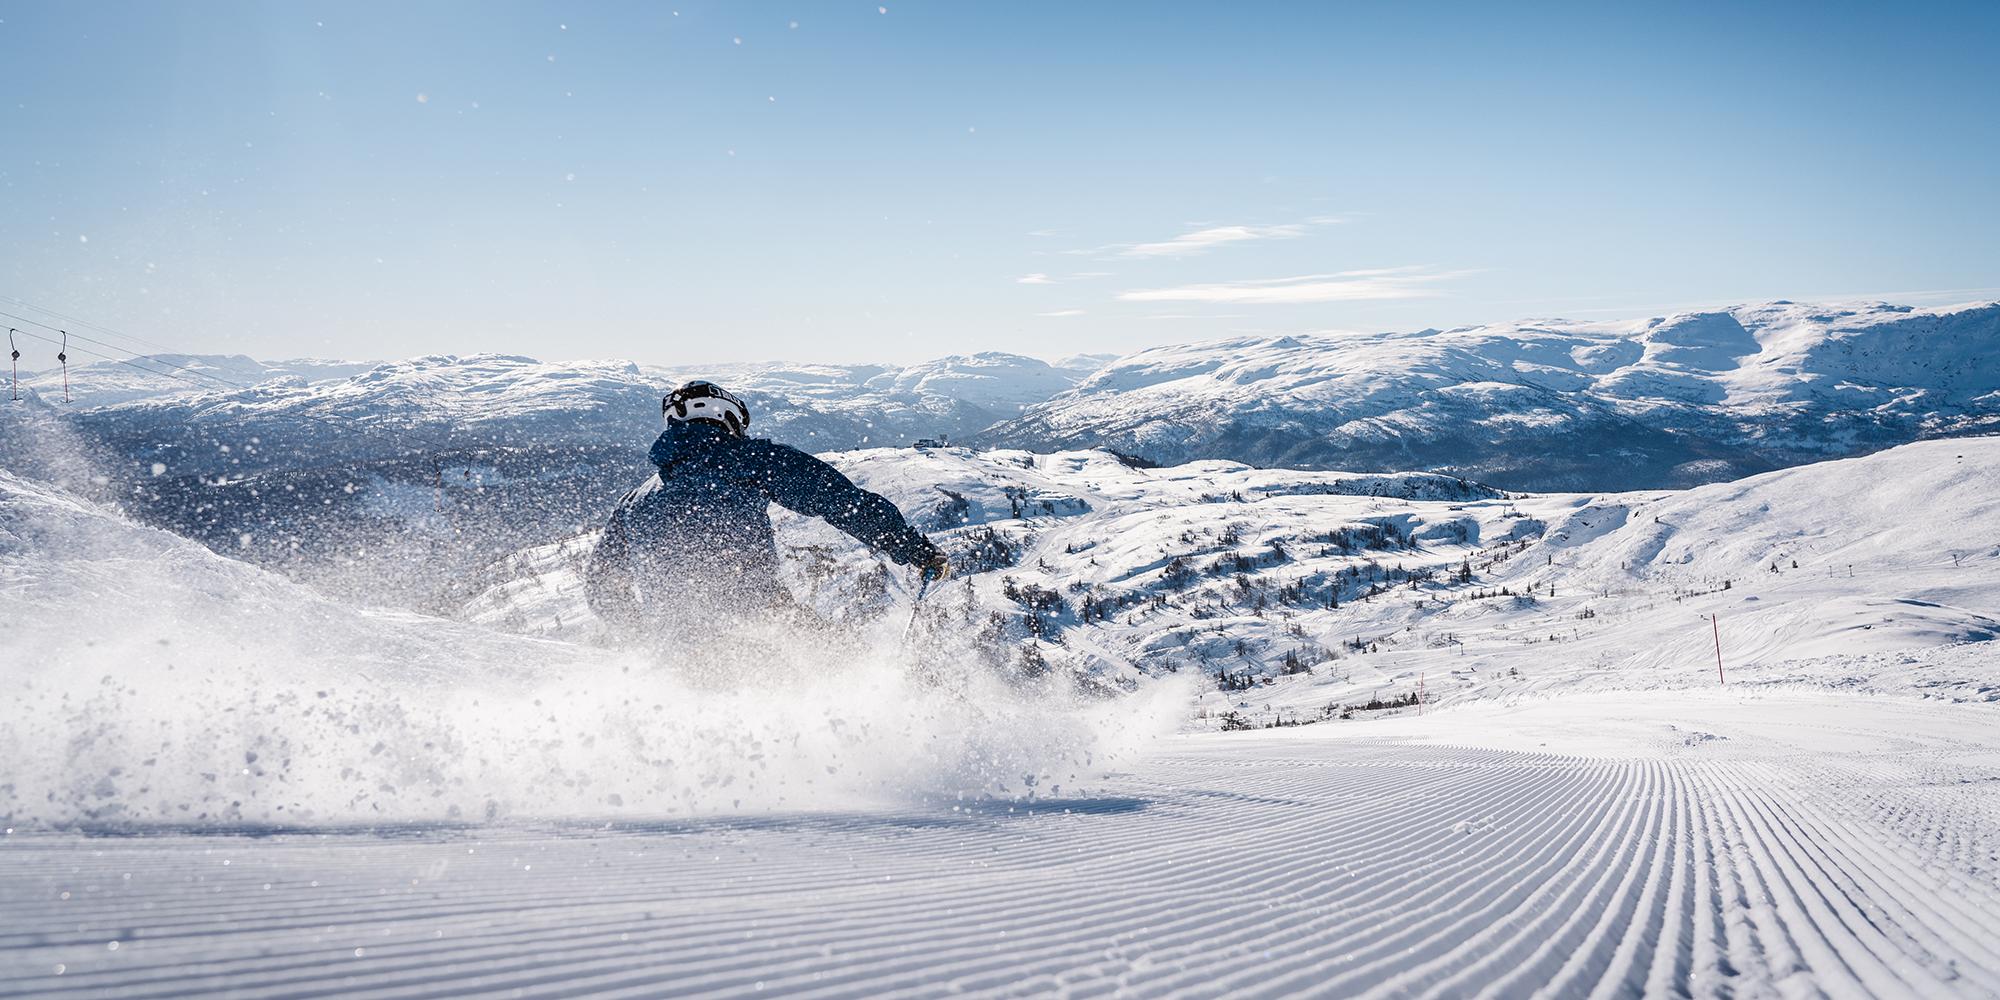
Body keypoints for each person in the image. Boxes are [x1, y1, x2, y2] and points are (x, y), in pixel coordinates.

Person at [585, 380, 949, 640]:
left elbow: (602, 585)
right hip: (761, 623)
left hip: (677, 650)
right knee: (840, 672)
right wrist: (914, 550)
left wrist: (644, 634)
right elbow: (842, 502)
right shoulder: (750, 459)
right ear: (727, 419)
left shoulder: (634, 500)